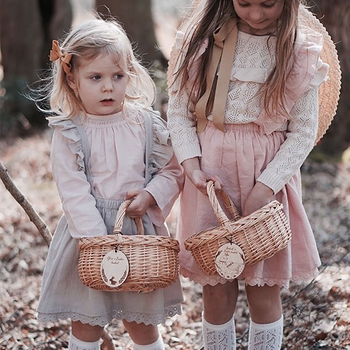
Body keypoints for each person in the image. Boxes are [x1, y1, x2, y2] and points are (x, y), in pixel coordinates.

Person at [167, 0, 334, 349]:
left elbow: (302, 132)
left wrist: (266, 188)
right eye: (244, 3)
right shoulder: (202, 41)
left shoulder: (298, 51)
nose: (256, 14)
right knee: (216, 289)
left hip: (268, 178)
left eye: (268, 4)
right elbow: (180, 112)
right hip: (212, 177)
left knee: (263, 290)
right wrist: (192, 166)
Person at [36, 17, 184, 350]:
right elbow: (73, 192)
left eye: (117, 76)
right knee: (87, 323)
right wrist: (99, 245)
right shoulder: (70, 132)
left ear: (129, 74)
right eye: (96, 77)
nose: (108, 87)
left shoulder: (146, 123)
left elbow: (174, 171)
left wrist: (149, 195)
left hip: (138, 234)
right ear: (72, 81)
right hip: (88, 240)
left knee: (141, 323)